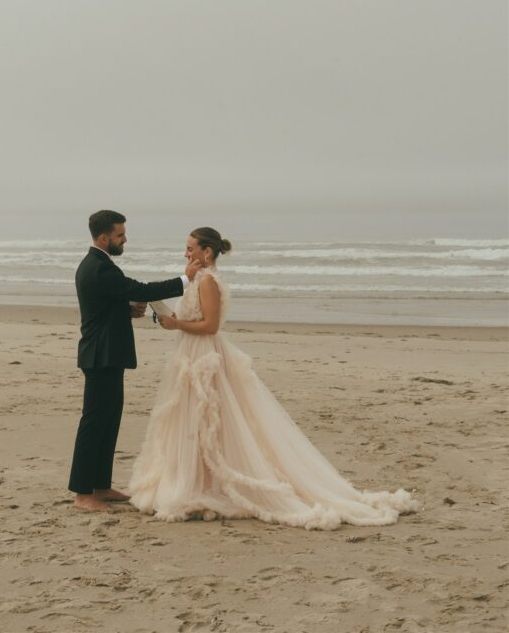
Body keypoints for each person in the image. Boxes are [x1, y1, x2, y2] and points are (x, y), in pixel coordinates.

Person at [128, 226, 419, 528]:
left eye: (190, 248)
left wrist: (176, 325)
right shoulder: (197, 279)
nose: (185, 253)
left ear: (207, 252)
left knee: (207, 418)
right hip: (190, 353)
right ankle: (196, 479)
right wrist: (173, 321)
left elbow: (211, 326)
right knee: (191, 420)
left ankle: (202, 484)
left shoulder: (208, 282)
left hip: (203, 355)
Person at [68, 210, 201, 513]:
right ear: (104, 238)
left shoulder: (99, 265)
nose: (124, 239)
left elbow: (103, 306)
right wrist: (185, 279)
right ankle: (82, 493)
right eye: (120, 235)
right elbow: (140, 289)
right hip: (100, 356)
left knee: (109, 420)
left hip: (106, 353)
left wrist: (125, 312)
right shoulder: (99, 267)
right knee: (94, 423)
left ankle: (101, 485)